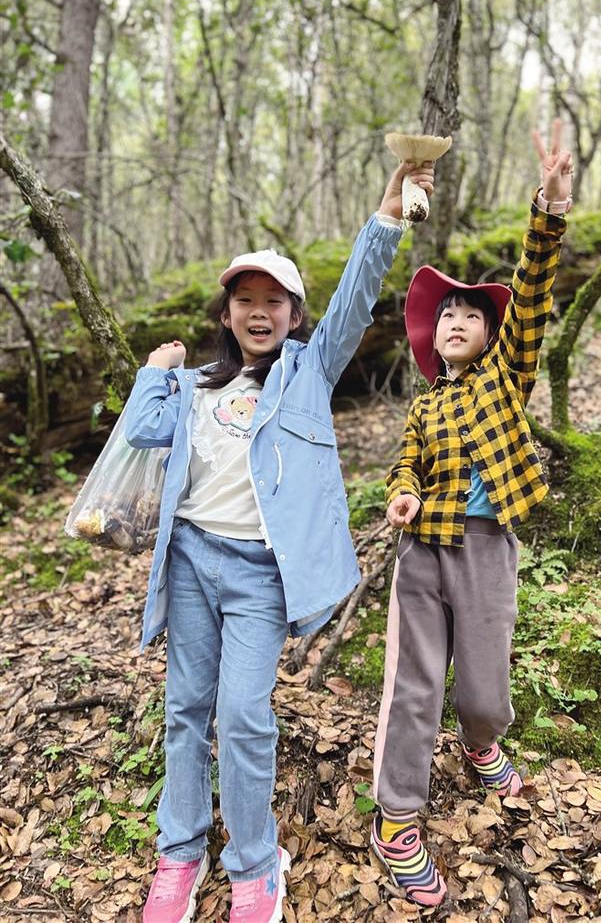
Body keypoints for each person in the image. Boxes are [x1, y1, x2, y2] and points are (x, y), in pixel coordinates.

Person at [124, 159, 435, 923]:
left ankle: (257, 863)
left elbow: (357, 301)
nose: (257, 312)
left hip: (262, 573)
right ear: (226, 313)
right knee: (185, 708)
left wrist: (386, 216)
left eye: (273, 301)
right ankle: (179, 850)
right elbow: (139, 432)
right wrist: (154, 373)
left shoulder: (308, 372)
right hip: (192, 561)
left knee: (243, 713)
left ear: (295, 314)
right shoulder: (199, 385)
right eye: (244, 300)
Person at [370, 120, 573, 908]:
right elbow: (406, 462)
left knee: (483, 690)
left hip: (488, 547)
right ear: (432, 336)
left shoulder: (503, 377)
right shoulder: (425, 405)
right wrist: (401, 489)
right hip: (423, 549)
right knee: (413, 685)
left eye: (470, 314)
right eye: (444, 314)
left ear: (489, 337)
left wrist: (548, 210)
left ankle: (481, 741)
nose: (456, 319)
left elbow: (531, 295)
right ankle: (397, 820)